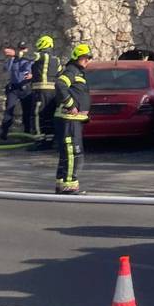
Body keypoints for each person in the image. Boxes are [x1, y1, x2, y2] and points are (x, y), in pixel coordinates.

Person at [53, 42, 92, 194]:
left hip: (73, 120)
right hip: (68, 119)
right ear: (77, 57)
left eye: (88, 58)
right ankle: (69, 185)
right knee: (72, 153)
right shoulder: (72, 70)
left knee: (67, 154)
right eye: (84, 58)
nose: (87, 61)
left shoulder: (78, 72)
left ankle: (61, 183)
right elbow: (60, 85)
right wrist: (71, 105)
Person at [30, 35, 62, 147]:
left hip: (41, 90)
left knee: (38, 115)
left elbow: (30, 56)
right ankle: (49, 140)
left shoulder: (42, 56)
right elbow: (60, 74)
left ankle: (39, 141)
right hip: (52, 92)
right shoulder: (56, 60)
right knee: (49, 116)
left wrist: (15, 53)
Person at [0, 43, 33, 139]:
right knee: (9, 110)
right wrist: (11, 57)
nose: (21, 51)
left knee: (27, 112)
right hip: (13, 88)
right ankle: (3, 133)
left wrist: (31, 75)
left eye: (23, 49)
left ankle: (28, 133)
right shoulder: (13, 60)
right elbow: (6, 69)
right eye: (20, 49)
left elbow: (31, 70)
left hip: (25, 88)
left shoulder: (29, 60)